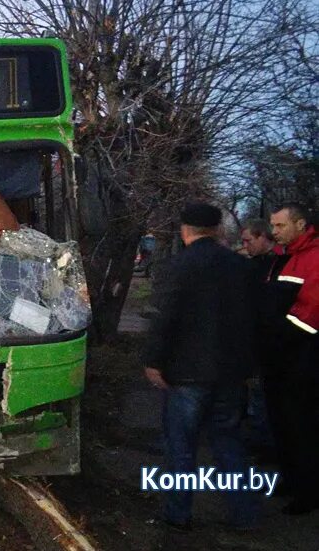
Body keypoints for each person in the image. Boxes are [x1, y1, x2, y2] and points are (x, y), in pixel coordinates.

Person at [143, 202, 259, 531]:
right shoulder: (241, 266)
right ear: (218, 229)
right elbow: (254, 320)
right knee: (229, 443)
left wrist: (153, 361)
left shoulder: (177, 266)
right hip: (230, 373)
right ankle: (244, 515)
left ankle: (178, 514)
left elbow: (163, 318)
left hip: (186, 374)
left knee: (181, 447)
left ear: (185, 230)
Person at [263, 201, 318, 515]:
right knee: (283, 421)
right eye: (273, 225)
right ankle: (293, 479)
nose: (275, 231)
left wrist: (278, 335)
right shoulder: (286, 257)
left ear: (300, 224)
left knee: (300, 423)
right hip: (283, 355)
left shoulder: (311, 257)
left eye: (280, 225)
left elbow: (310, 312)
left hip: (301, 356)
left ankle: (307, 491)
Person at [239, 219, 285, 456]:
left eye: (248, 240)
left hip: (266, 339)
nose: (245, 246)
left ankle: (263, 441)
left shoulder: (273, 264)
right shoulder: (264, 263)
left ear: (263, 237)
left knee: (261, 393)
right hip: (259, 337)